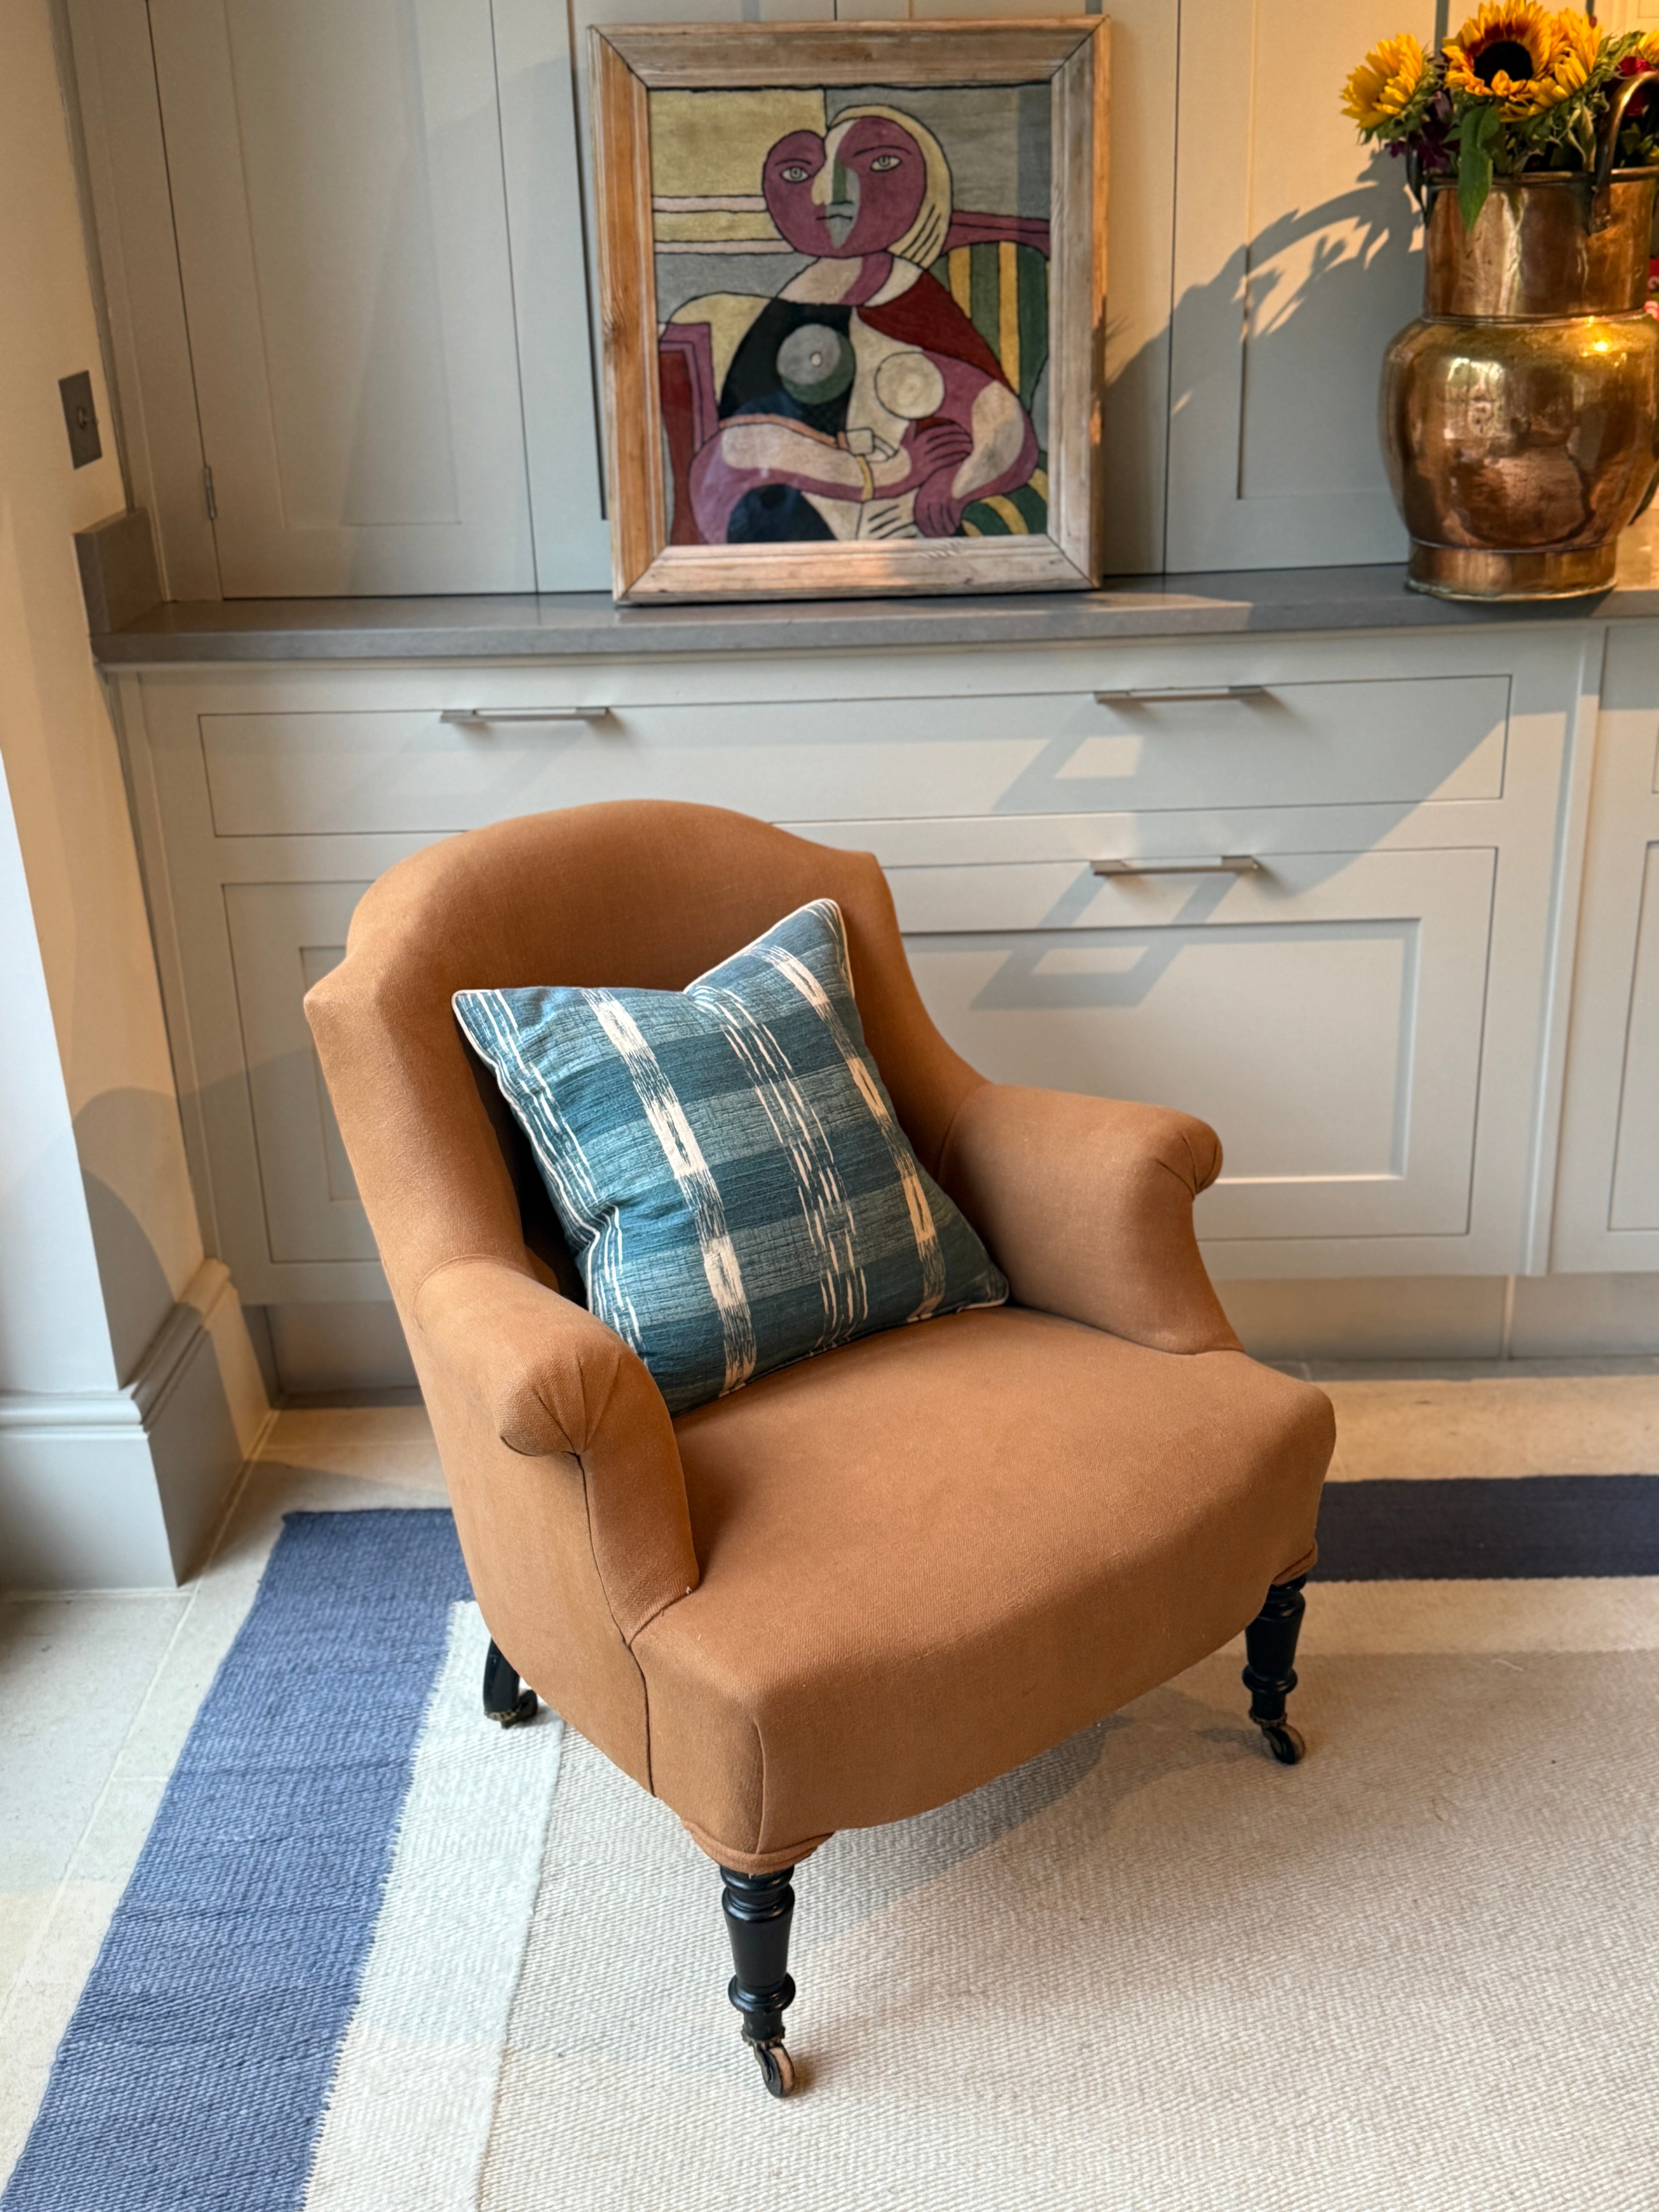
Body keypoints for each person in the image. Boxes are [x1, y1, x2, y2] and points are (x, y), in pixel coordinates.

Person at [671, 106, 1039, 545]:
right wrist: (884, 473)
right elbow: (737, 453)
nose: (831, 195)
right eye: (797, 173)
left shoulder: (911, 300)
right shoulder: (783, 309)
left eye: (880, 164)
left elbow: (1004, 426)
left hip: (897, 527)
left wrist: (954, 486)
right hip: (790, 516)